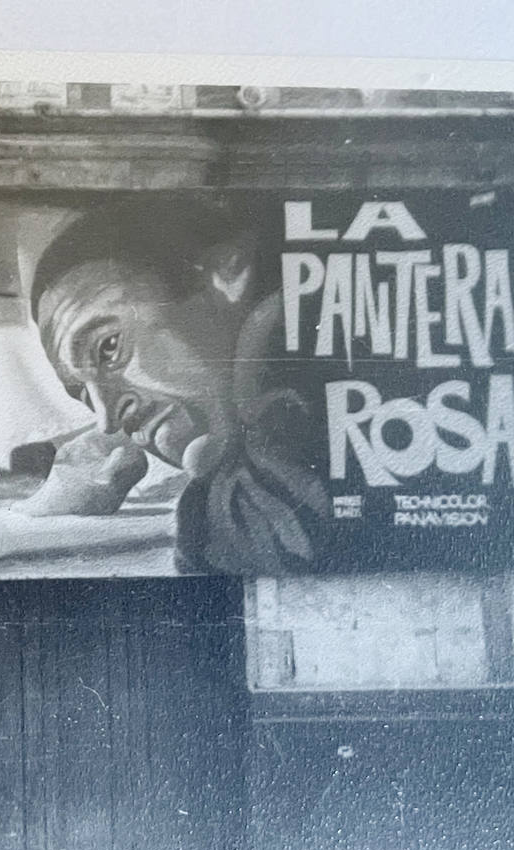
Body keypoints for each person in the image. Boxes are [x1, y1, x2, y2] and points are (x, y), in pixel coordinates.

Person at [28, 199, 328, 575]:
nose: (107, 419)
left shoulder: (290, 335)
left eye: (109, 347)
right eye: (85, 395)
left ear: (227, 273)